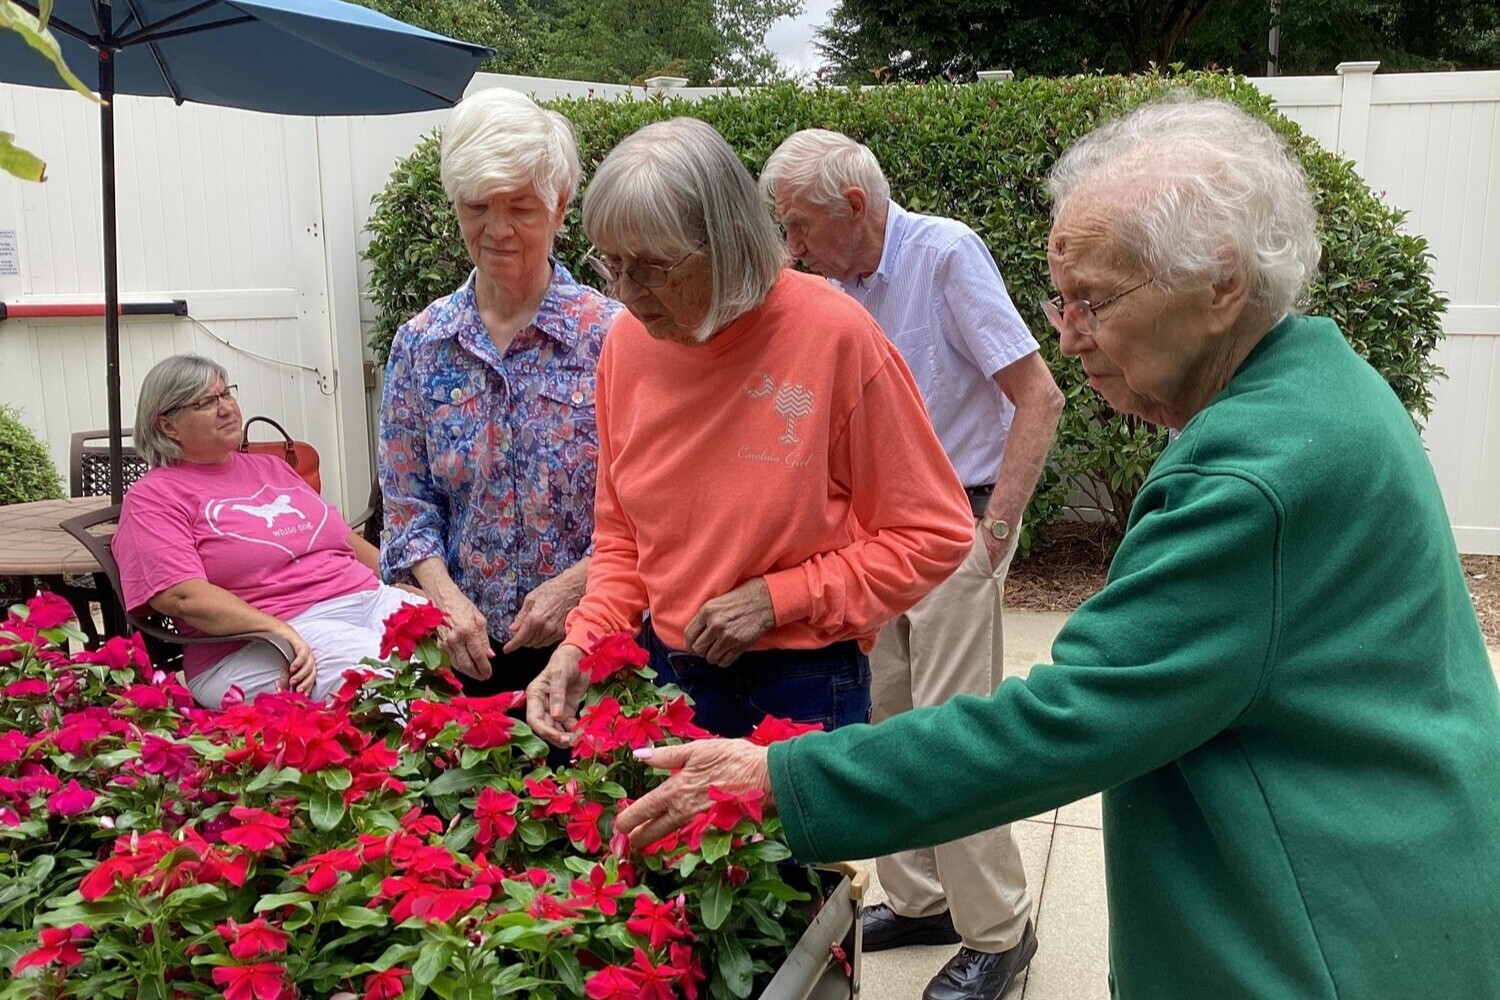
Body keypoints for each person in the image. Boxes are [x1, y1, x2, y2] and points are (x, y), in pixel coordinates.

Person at [615, 96, 1500, 1000]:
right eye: (1060, 300)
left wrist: (781, 777)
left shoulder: (1249, 479)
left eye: (1094, 302)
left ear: (1222, 284)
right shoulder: (1321, 381)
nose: (1067, 336)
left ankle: (994, 935)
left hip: (1326, 943)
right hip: (1386, 880)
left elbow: (1067, 721)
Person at [524, 117, 974, 747]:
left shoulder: (834, 336)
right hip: (668, 676)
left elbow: (935, 533)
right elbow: (623, 537)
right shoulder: (627, 344)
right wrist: (584, 641)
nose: (626, 293)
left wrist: (781, 597)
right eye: (612, 265)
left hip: (802, 681)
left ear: (728, 241)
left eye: (650, 267)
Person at [760, 129, 1063, 1000]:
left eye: (800, 224)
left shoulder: (946, 255)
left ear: (855, 205)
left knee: (956, 734)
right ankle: (921, 898)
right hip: (873, 540)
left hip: (957, 526)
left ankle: (1000, 932)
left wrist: (993, 535)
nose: (792, 247)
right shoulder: (831, 288)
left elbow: (1039, 397)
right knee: (887, 721)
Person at [379, 87, 620, 696]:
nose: (497, 230)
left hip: (594, 647)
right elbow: (407, 504)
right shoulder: (422, 344)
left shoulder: (613, 337)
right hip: (466, 653)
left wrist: (578, 586)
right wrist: (445, 599)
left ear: (560, 206)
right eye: (477, 206)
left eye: (521, 207)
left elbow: (656, 507)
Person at [114, 354, 424, 708]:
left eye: (226, 394)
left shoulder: (271, 468)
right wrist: (277, 629)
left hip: (364, 600)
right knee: (394, 676)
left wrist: (397, 581)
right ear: (168, 426)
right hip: (257, 641)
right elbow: (183, 596)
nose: (227, 408)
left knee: (458, 636)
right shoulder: (153, 497)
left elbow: (344, 540)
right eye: (206, 402)